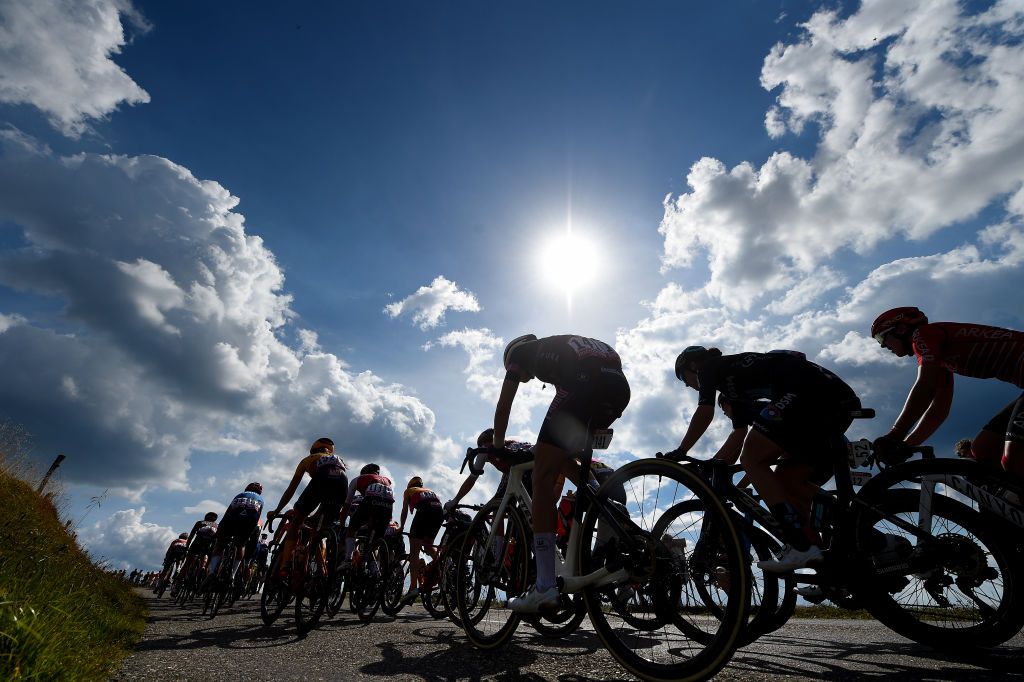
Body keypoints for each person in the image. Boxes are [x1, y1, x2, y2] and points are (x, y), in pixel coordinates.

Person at [668, 345, 860, 571]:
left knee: (752, 457)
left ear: (692, 365)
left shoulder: (708, 368)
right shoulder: (732, 390)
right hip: (831, 400)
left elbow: (706, 412)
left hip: (809, 395)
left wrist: (681, 451)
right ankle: (839, 545)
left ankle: (800, 544)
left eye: (684, 379)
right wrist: (713, 468)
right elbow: (736, 438)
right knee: (787, 480)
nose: (688, 385)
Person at [494, 334, 630, 613]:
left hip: (585, 384)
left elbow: (504, 404)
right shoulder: (558, 350)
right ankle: (604, 506)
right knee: (561, 456)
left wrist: (497, 446)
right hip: (618, 387)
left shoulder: (522, 354)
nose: (525, 379)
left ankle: (544, 586)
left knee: (542, 476)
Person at [871, 308, 1024, 478]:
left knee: (1014, 460)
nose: (883, 345)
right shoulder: (939, 358)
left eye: (880, 337)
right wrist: (907, 446)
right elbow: (938, 411)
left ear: (900, 329)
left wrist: (895, 434)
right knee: (983, 449)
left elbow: (925, 386)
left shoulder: (923, 334)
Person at [267, 437, 348, 574]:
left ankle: (285, 564)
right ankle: (321, 569)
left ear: (313, 450)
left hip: (322, 480)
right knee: (320, 529)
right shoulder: (339, 460)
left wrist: (277, 510)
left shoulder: (308, 459)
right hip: (342, 483)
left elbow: (290, 490)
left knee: (297, 520)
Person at [340, 464, 395, 568]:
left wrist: (342, 525)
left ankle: (347, 560)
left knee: (352, 529)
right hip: (387, 507)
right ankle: (375, 572)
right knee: (374, 544)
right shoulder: (386, 482)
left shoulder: (359, 479)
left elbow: (347, 505)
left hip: (371, 501)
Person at [207, 483, 265, 582]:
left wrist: (220, 529)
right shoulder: (260, 499)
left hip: (231, 519)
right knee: (240, 545)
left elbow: (228, 512)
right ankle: (232, 575)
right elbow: (258, 516)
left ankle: (211, 572)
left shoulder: (239, 495)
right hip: (249, 521)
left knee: (220, 545)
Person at [398, 477, 443, 603]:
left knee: (414, 550)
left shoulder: (409, 491)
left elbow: (404, 511)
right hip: (438, 511)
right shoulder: (429, 490)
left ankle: (413, 588)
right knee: (428, 545)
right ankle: (443, 569)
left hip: (425, 510)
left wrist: (401, 527)